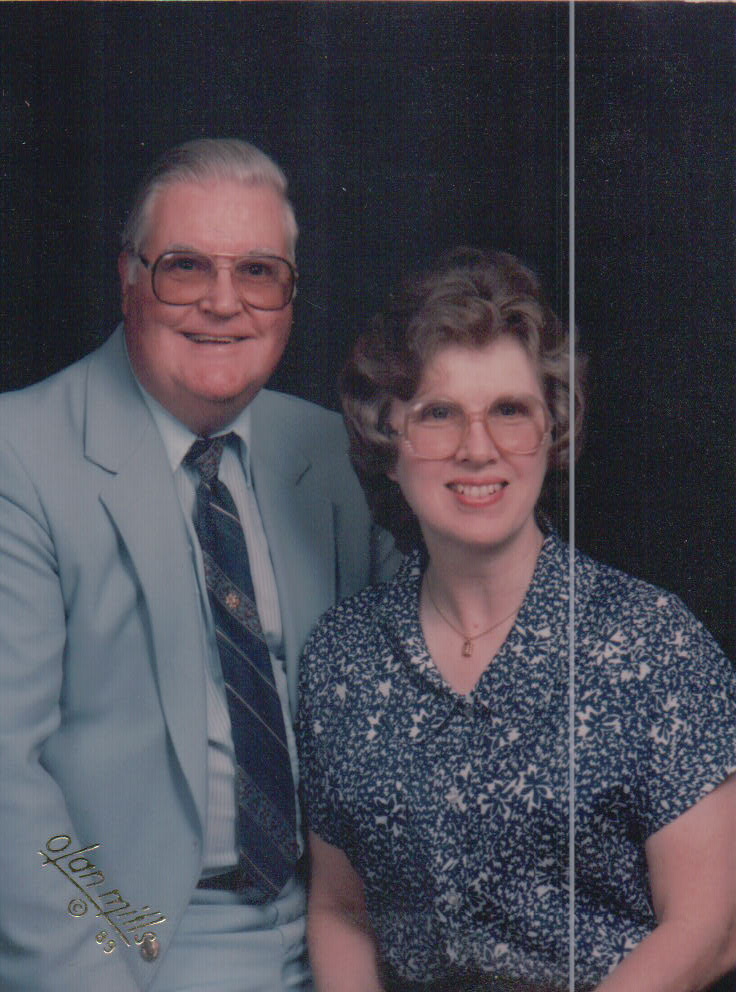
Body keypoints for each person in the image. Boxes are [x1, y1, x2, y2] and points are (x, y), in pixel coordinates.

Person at [0, 138, 395, 992]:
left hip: (343, 933)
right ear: (128, 278)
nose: (224, 303)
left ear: (291, 296)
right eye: (185, 267)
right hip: (138, 941)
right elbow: (5, 782)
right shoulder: (19, 456)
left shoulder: (336, 455)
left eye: (258, 272)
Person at [296, 249, 736, 991]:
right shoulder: (341, 658)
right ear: (387, 445)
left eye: (509, 411)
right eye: (438, 414)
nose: (479, 449)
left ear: (552, 431)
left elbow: (709, 924)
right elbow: (341, 910)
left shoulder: (653, 643)